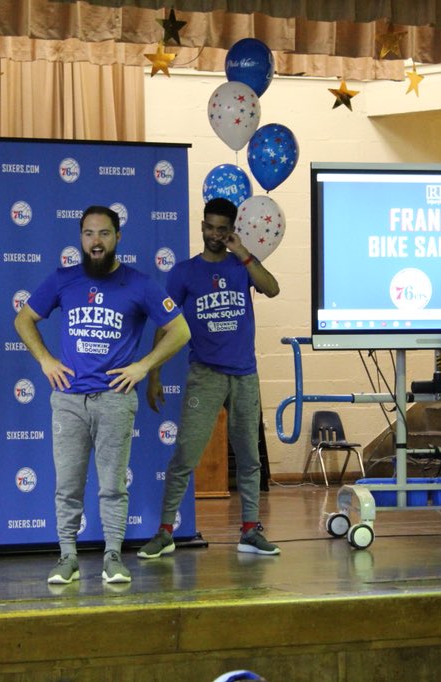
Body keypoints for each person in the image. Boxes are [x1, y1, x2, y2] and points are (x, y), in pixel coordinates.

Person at [14, 205, 190, 584]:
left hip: (114, 399)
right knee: (68, 486)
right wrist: (46, 360)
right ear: (80, 238)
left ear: (117, 238)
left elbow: (180, 330)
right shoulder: (63, 279)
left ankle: (113, 557)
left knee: (112, 486)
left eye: (104, 234)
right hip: (69, 400)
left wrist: (143, 366)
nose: (96, 241)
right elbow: (23, 318)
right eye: (89, 234)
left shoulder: (140, 284)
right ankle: (67, 558)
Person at [138, 197, 281, 560]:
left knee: (249, 457)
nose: (215, 234)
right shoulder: (185, 272)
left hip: (245, 374)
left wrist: (245, 252)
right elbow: (165, 324)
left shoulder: (240, 265)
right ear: (201, 226)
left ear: (231, 230)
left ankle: (250, 531)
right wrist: (154, 374)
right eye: (210, 227)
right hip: (205, 373)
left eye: (222, 228)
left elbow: (273, 287)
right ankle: (165, 531)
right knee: (186, 453)